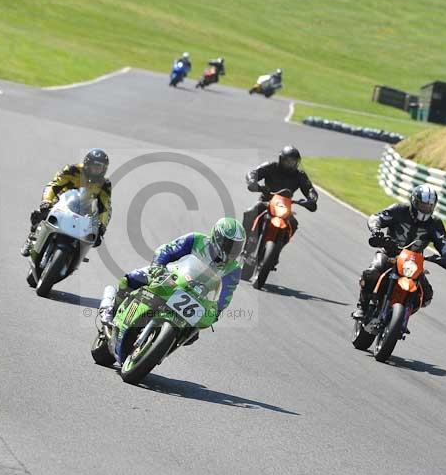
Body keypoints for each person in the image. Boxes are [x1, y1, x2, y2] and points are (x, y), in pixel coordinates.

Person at [98, 218, 246, 343]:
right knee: (130, 280)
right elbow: (167, 250)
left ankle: (160, 346)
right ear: (217, 237)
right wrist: (158, 266)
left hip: (198, 299)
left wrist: (217, 311)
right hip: (170, 277)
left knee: (192, 335)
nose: (232, 250)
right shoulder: (196, 239)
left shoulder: (233, 269)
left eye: (236, 247)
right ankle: (111, 309)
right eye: (229, 245)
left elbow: (226, 295)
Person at [352, 184, 446, 319]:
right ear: (414, 202)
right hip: (389, 253)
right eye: (422, 205)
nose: (425, 209)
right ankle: (362, 307)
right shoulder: (399, 210)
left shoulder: (435, 223)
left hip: (413, 262)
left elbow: (443, 242)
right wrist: (376, 231)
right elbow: (376, 218)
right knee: (372, 273)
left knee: (426, 295)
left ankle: (401, 317)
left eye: (429, 206)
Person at [20, 148, 112, 256]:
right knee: (41, 213)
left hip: (83, 209)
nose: (96, 170)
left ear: (104, 169)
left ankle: (74, 257)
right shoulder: (72, 170)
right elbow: (54, 185)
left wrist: (102, 226)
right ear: (87, 164)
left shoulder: (105, 184)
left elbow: (105, 207)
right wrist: (46, 201)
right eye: (94, 167)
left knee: (93, 235)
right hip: (62, 201)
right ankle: (32, 237)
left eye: (100, 167)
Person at [242, 145, 318, 244]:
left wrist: (312, 198)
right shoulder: (271, 166)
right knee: (250, 212)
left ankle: (277, 247)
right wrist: (252, 181)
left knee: (293, 224)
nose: (291, 164)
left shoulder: (300, 175)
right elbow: (253, 173)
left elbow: (310, 189)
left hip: (284, 207)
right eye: (288, 161)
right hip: (266, 201)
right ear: (281, 159)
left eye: (293, 162)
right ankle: (241, 239)